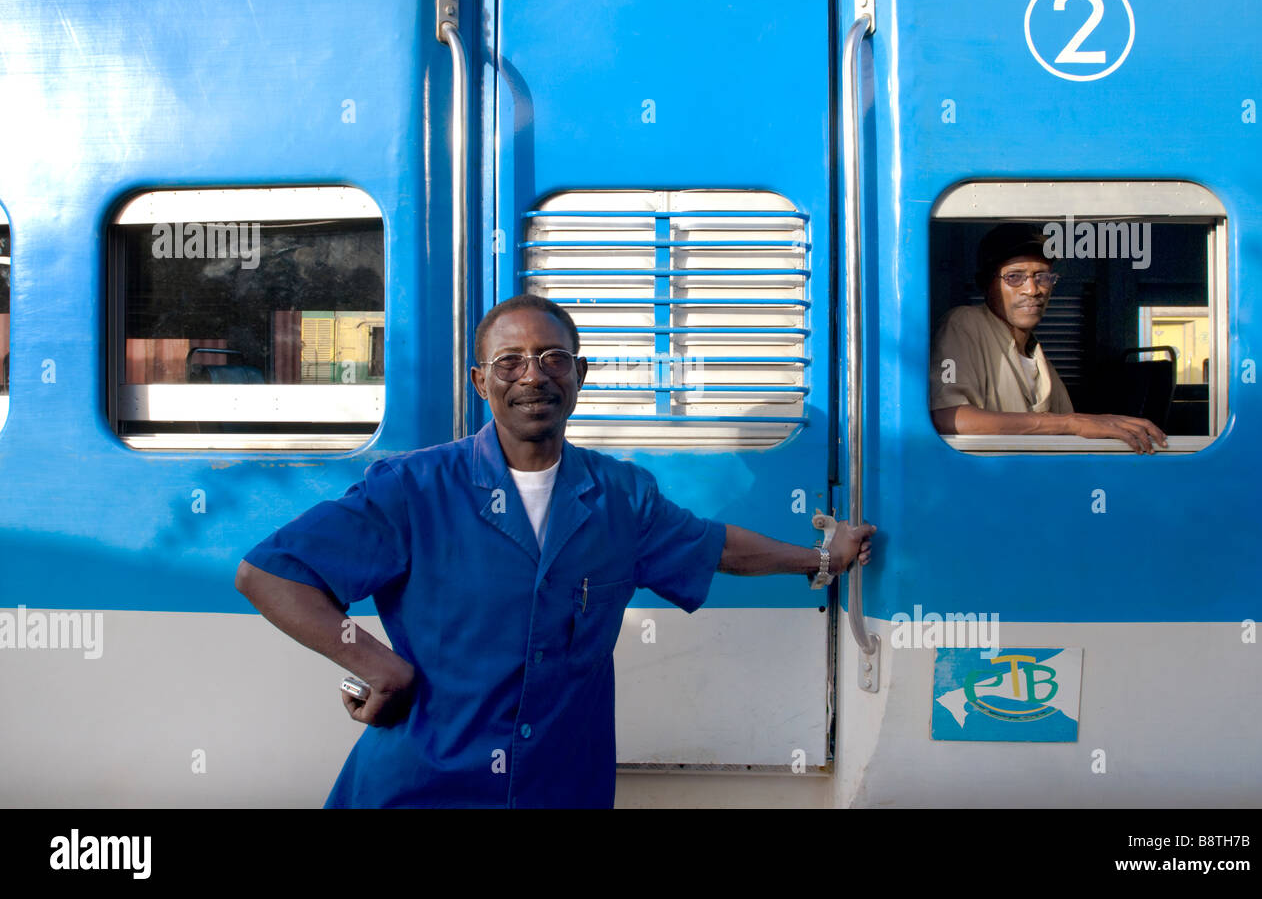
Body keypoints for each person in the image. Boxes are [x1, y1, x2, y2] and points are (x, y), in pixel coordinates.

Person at [235, 294, 875, 808]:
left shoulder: (621, 497)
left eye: (552, 357)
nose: (532, 376)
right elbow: (271, 572)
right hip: (425, 784)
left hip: (560, 785)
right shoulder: (414, 488)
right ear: (480, 381)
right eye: (509, 362)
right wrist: (378, 665)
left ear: (580, 374)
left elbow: (718, 548)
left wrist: (823, 557)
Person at [929, 223, 1167, 454]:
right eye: (1014, 277)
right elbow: (949, 418)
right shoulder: (963, 324)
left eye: (1042, 277)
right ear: (986, 284)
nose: (1033, 290)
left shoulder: (1038, 357)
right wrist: (1070, 423)